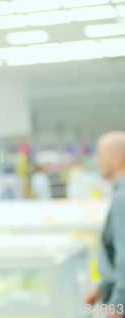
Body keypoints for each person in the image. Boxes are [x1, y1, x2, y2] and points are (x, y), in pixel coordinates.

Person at [84, 131, 125, 318]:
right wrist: (103, 287)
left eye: (100, 155)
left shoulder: (121, 197)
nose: (96, 161)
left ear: (118, 160)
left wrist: (118, 305)